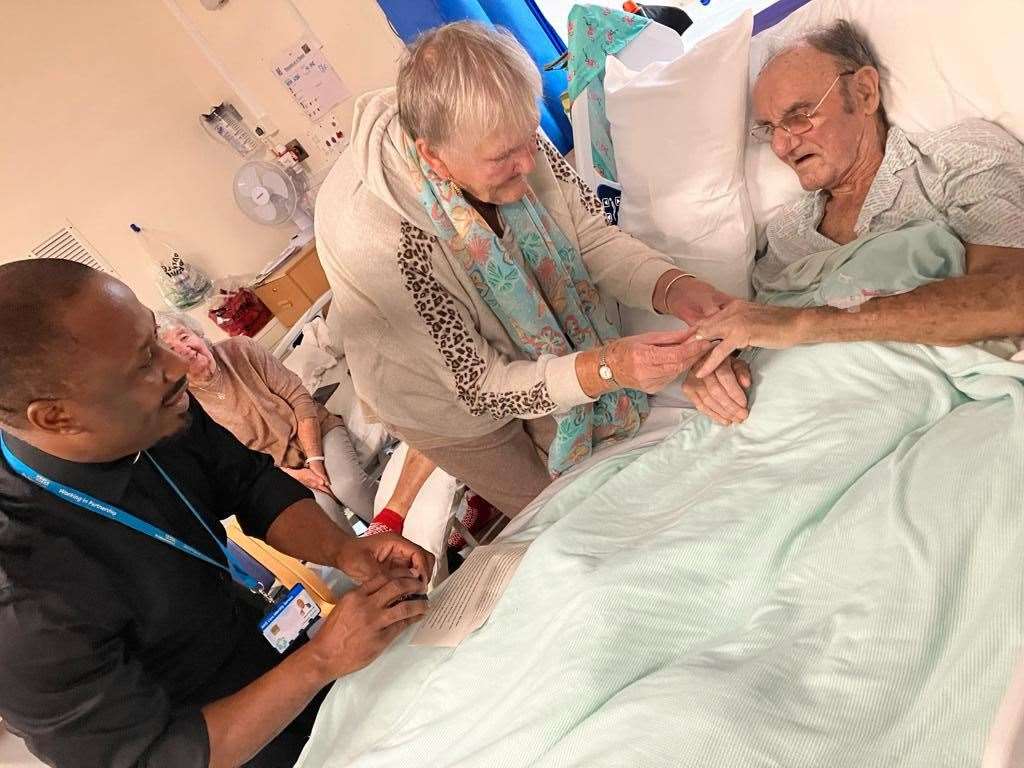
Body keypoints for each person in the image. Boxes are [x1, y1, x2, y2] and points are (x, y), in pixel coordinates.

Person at [0, 259, 433, 767]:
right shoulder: (21, 597)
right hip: (212, 740)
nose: (176, 366)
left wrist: (343, 549)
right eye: (144, 362)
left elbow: (249, 482)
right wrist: (323, 659)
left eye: (156, 337)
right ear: (57, 417)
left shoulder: (156, 409)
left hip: (268, 655)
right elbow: (152, 758)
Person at [315, 21, 729, 516]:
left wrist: (674, 287)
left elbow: (590, 238)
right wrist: (606, 368)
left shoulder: (502, 131)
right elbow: (481, 388)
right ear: (435, 157)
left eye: (528, 138)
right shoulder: (382, 244)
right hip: (445, 398)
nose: (528, 164)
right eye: (504, 157)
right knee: (557, 512)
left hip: (495, 356)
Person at [683, 19, 1024, 426]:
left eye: (799, 116)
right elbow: (757, 331)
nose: (780, 145)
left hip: (903, 411)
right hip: (787, 418)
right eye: (770, 129)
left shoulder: (957, 162)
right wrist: (714, 368)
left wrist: (804, 324)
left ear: (864, 92)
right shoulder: (787, 236)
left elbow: (1011, 297)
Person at [157, 314, 436, 532]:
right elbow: (241, 463)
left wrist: (315, 461)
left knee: (348, 485)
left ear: (200, 335)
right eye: (172, 349)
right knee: (323, 512)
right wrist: (298, 475)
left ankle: (415, 539)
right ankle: (379, 576)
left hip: (316, 432)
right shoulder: (188, 407)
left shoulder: (240, 349)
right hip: (278, 468)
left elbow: (299, 397)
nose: (185, 349)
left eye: (185, 336)